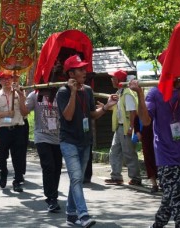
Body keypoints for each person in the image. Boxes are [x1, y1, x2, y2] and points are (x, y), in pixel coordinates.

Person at [56, 55, 117, 228]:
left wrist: (106, 106)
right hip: (68, 141)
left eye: (84, 69)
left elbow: (92, 114)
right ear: (71, 73)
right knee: (76, 177)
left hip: (85, 140)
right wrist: (74, 92)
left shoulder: (89, 90)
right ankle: (83, 214)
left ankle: (70, 214)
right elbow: (67, 116)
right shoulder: (63, 92)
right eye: (80, 69)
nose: (85, 72)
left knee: (78, 179)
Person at [129, 54, 180, 228]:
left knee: (169, 202)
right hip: (167, 158)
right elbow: (146, 121)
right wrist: (139, 94)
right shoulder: (155, 92)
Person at [0, 70, 27, 192]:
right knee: (2, 155)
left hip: (18, 127)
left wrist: (20, 95)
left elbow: (25, 111)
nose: (7, 81)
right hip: (4, 129)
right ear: (0, 81)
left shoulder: (19, 91)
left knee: (18, 156)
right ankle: (3, 173)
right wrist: (6, 114)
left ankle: (17, 180)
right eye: (3, 79)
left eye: (9, 78)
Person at [24, 87, 62, 212]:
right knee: (48, 166)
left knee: (57, 168)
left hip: (58, 137)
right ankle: (51, 198)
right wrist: (19, 94)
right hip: (42, 136)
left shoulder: (60, 93)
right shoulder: (34, 95)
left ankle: (53, 193)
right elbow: (24, 111)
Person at [104, 70, 141, 186]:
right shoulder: (119, 92)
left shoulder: (127, 93)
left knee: (129, 153)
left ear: (119, 80)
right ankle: (116, 176)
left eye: (113, 78)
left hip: (126, 127)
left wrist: (131, 128)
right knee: (114, 151)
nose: (111, 80)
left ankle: (135, 178)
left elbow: (132, 112)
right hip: (119, 127)